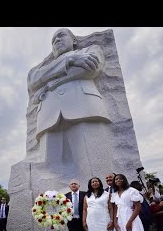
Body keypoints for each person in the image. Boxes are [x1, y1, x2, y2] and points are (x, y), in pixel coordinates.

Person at [27, 28, 111, 178]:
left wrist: (48, 84)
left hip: (84, 109)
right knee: (49, 174)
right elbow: (33, 81)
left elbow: (90, 70)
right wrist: (69, 61)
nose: (56, 41)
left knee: (95, 168)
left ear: (73, 40)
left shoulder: (90, 49)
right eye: (53, 41)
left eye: (61, 36)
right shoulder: (42, 69)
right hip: (48, 116)